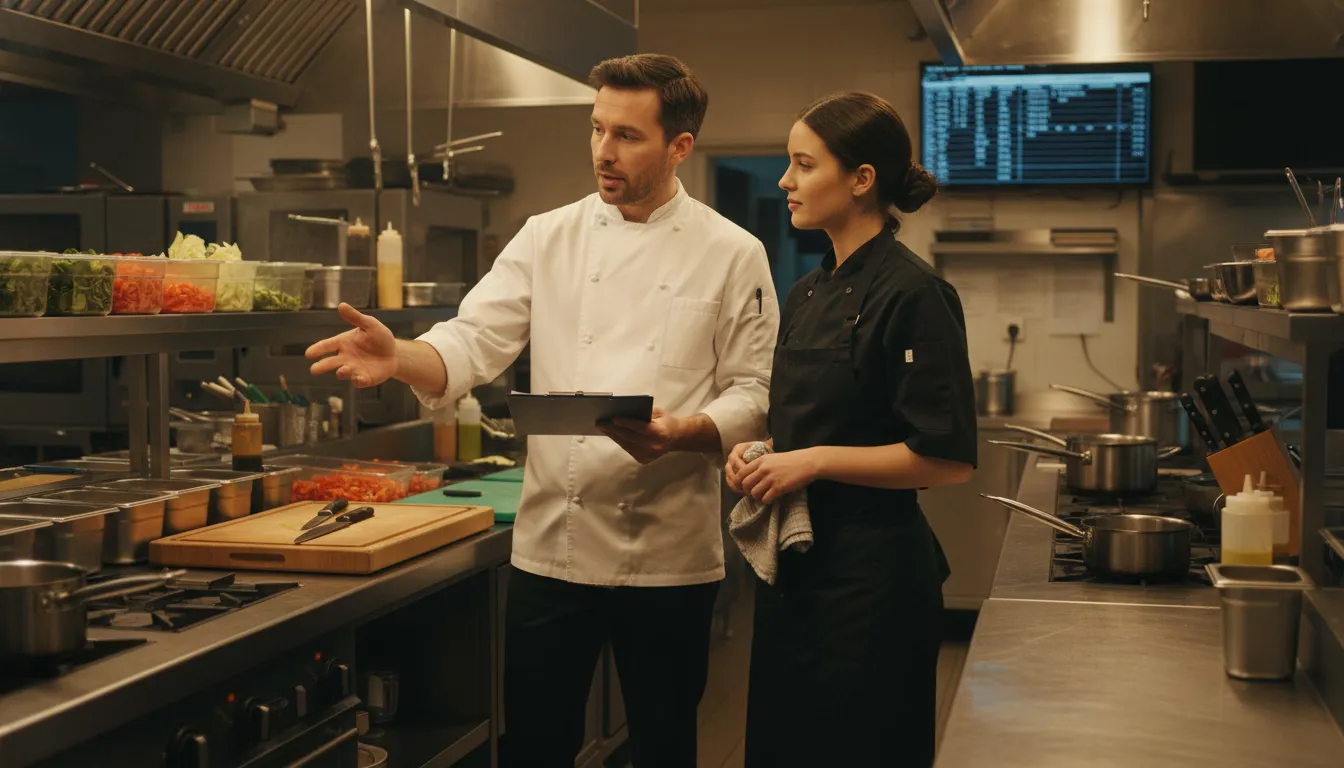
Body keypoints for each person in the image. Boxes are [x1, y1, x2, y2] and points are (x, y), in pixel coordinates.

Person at [305, 53, 778, 767]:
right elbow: (471, 341)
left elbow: (754, 390)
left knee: (664, 748)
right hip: (554, 547)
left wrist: (685, 431)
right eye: (597, 129)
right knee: (534, 747)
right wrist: (398, 356)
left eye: (627, 135)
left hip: (669, 558)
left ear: (680, 146)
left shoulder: (733, 252)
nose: (603, 151)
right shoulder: (548, 236)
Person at [725, 92, 977, 767]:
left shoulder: (914, 292)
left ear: (862, 179)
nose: (785, 181)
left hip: (873, 582)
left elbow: (947, 459)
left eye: (804, 165)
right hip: (796, 574)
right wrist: (762, 454)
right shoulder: (807, 293)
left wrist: (809, 462)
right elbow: (815, 422)